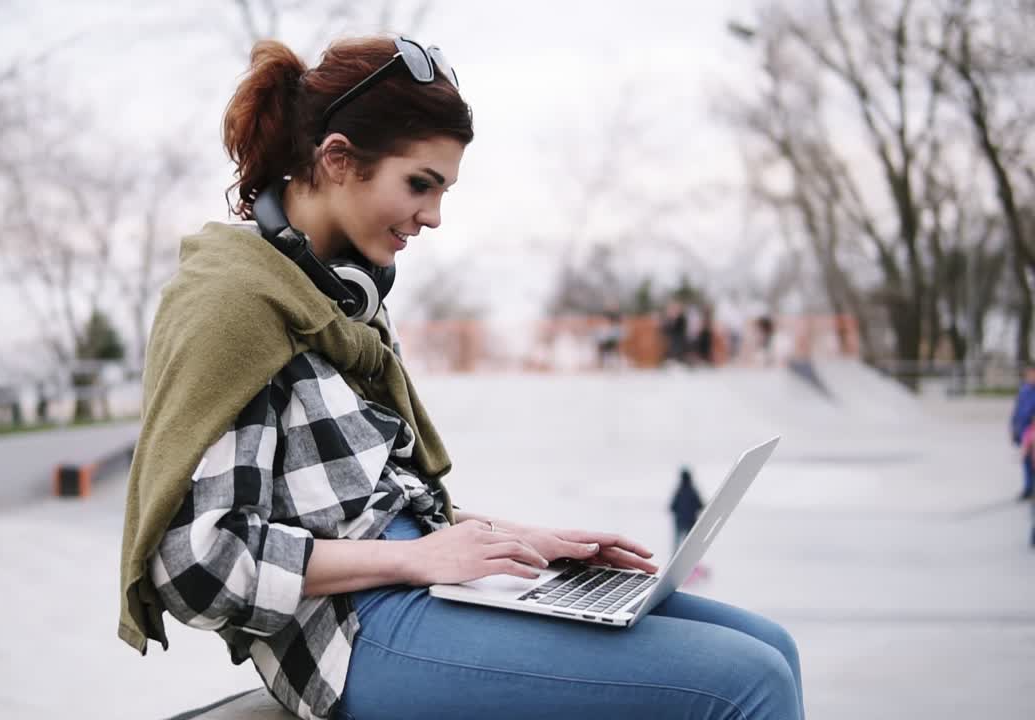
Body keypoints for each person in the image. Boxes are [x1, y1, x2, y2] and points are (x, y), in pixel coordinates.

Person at [117, 36, 803, 720]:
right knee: (748, 681)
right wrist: (417, 561)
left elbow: (369, 506)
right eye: (420, 183)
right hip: (359, 633)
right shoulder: (234, 304)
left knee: (772, 647)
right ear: (336, 159)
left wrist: (518, 539)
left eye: (442, 189)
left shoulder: (338, 301)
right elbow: (195, 566)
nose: (434, 215)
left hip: (425, 589)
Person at [1010, 364, 1035, 501]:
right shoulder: (1024, 390)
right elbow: (1016, 410)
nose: (1031, 377)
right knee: (1026, 460)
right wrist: (1013, 428)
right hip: (1024, 432)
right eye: (1029, 374)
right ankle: (1028, 487)